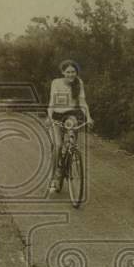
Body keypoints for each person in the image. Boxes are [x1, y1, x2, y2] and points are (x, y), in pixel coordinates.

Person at [47, 59, 93, 193]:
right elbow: (52, 101)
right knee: (58, 146)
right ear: (63, 72)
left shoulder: (79, 82)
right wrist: (49, 117)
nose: (71, 74)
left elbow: (83, 102)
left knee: (72, 137)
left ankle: (71, 154)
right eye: (68, 72)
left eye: (73, 72)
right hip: (57, 115)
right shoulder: (56, 83)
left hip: (71, 115)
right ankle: (54, 179)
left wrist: (89, 117)